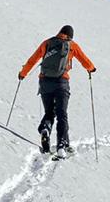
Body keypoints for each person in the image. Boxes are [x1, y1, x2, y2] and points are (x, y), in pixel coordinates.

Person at [19, 25, 96, 156]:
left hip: (45, 82)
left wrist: (23, 73)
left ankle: (45, 128)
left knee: (49, 112)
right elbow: (85, 60)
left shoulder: (47, 43)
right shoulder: (72, 45)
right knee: (62, 114)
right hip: (61, 83)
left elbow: (33, 60)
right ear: (70, 36)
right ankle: (62, 145)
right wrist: (91, 68)